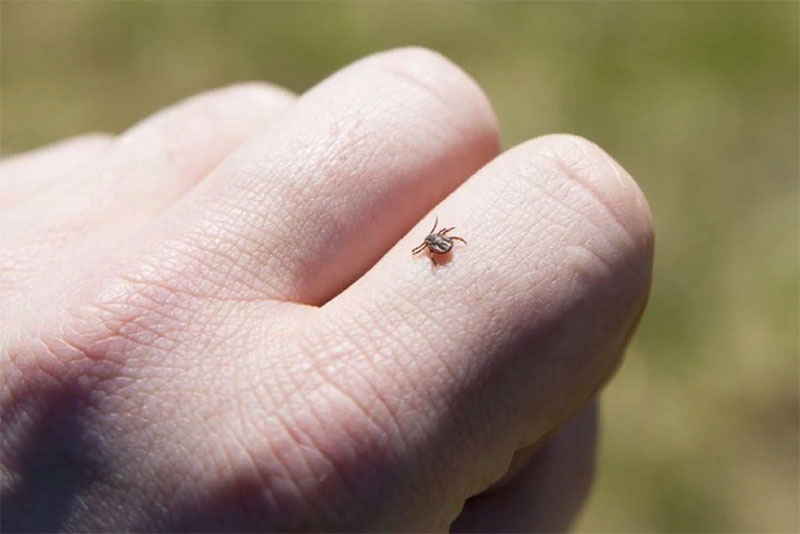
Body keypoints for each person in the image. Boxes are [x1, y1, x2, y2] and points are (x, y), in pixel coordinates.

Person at [0, 47, 653, 532]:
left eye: (438, 241)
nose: (438, 243)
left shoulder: (434, 244)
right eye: (437, 242)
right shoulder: (439, 245)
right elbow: (441, 246)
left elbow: (437, 246)